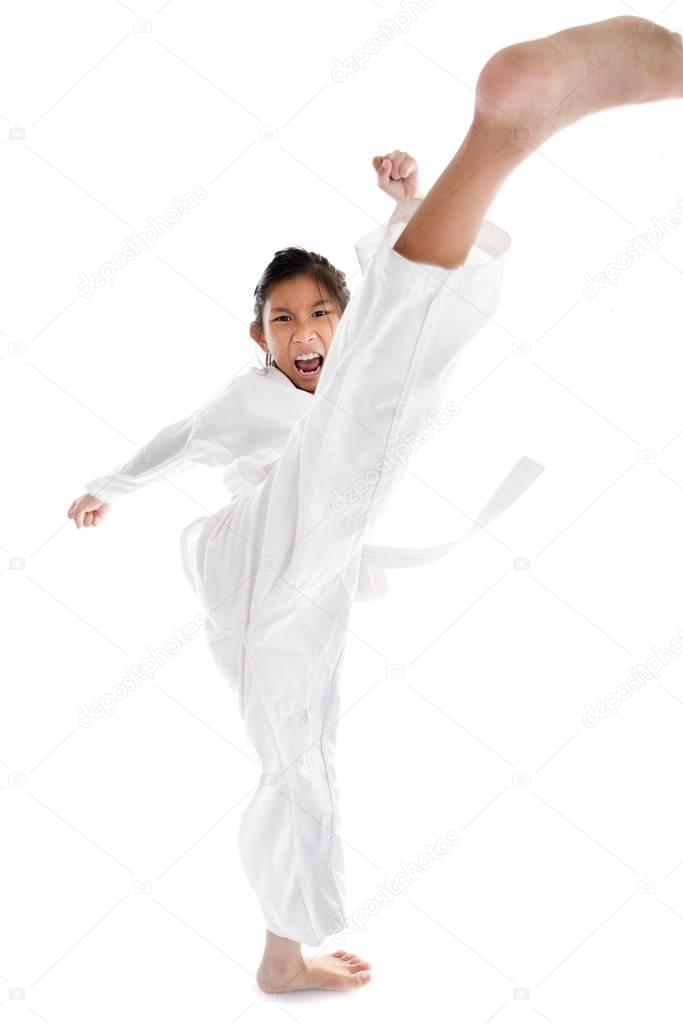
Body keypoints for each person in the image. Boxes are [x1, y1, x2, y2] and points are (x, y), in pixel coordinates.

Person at [68, 14, 683, 993]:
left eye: (320, 313)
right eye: (284, 319)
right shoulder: (250, 401)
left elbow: (362, 379)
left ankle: (280, 953)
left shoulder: (334, 400)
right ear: (257, 335)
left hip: (292, 586)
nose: (303, 331)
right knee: (376, 396)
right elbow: (179, 441)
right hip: (259, 547)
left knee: (299, 752)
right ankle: (501, 139)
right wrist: (109, 486)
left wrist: (400, 208)